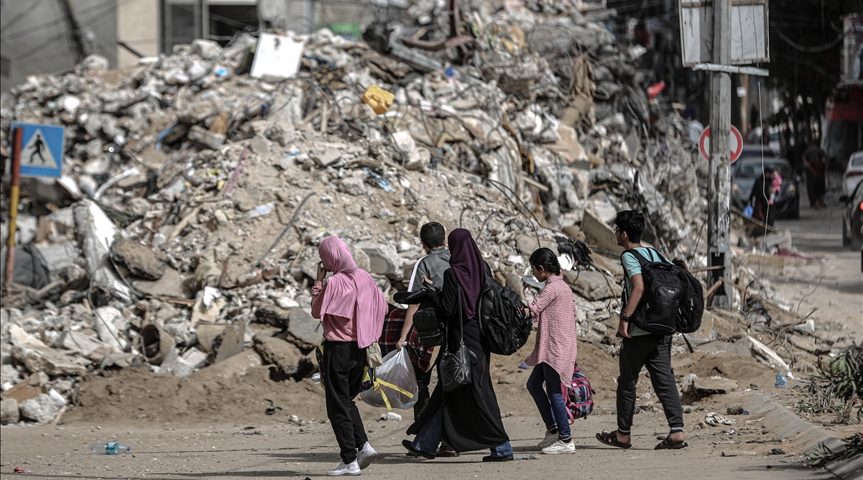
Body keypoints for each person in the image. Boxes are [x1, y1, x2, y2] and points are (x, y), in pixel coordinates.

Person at [402, 228, 513, 462]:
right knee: (447, 391)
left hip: (458, 340)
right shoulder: (483, 269)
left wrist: (432, 292)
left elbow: (447, 309)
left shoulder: (454, 274)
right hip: (480, 340)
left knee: (479, 395)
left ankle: (503, 448)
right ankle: (425, 444)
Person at [596, 211, 687, 451]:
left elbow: (638, 286)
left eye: (616, 230)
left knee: (627, 382)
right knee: (665, 380)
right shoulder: (655, 252)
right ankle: (677, 431)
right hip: (662, 330)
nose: (615, 234)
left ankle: (623, 434)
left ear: (624, 234)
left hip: (639, 330)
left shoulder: (629, 256)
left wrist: (625, 318)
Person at [312, 236, 387, 476]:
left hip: (338, 350)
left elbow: (316, 311)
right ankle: (363, 446)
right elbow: (382, 307)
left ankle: (349, 460)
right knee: (345, 401)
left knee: (337, 405)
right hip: (362, 349)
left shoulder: (334, 282)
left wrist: (318, 282)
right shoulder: (365, 277)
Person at [398, 221, 457, 457]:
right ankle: (449, 441)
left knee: (422, 382)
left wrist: (402, 336)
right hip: (457, 332)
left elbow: (414, 301)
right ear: (444, 240)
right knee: (450, 385)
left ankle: (424, 437)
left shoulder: (424, 264)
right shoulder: (458, 259)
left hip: (431, 333)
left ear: (423, 244)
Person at [523, 248, 579, 455]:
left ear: (541, 268)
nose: (534, 274)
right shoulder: (563, 287)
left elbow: (534, 309)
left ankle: (566, 439)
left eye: (533, 270)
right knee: (534, 384)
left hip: (555, 349)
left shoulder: (552, 288)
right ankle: (553, 429)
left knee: (554, 391)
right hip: (557, 348)